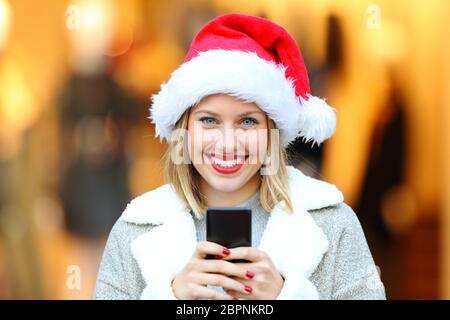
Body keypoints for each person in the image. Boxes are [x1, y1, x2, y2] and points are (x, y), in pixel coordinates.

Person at [94, 13, 386, 300]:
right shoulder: (135, 229)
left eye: (248, 121)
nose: (228, 143)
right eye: (209, 120)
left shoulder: (333, 224)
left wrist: (287, 296)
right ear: (184, 131)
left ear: (272, 132)